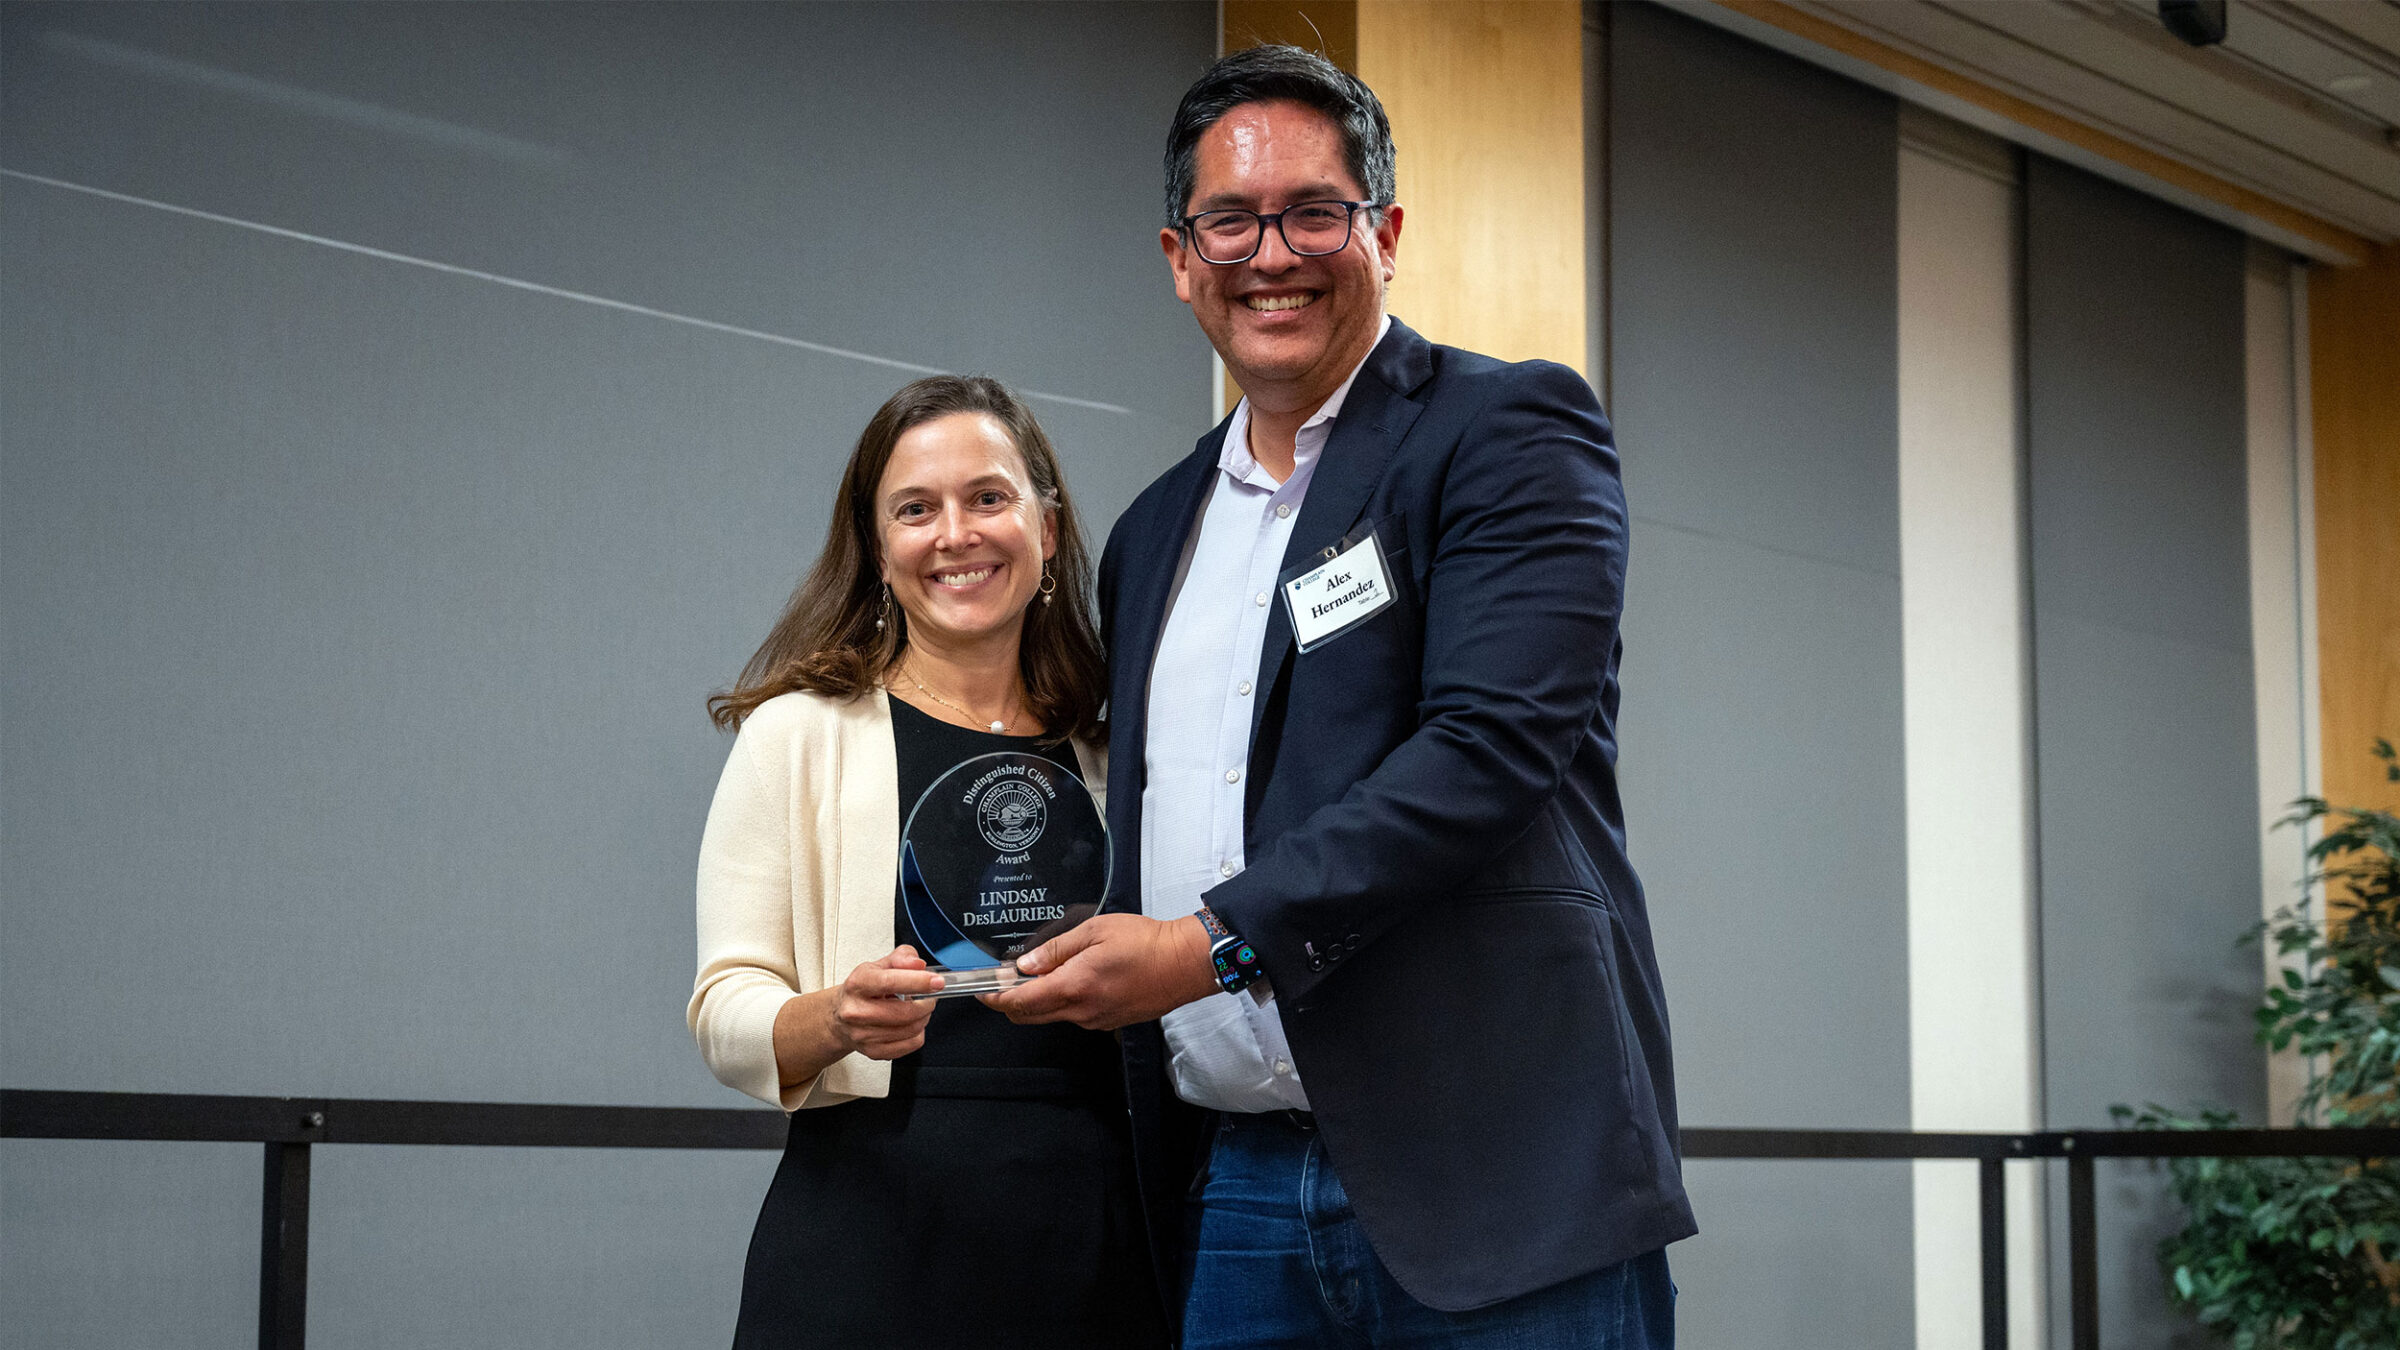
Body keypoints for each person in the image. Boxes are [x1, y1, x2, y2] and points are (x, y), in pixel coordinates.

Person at [984, 45, 1694, 1347]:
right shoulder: (1151, 534)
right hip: (1239, 1189)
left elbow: (1487, 751)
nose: (1274, 255)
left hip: (1498, 1175)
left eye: (1315, 212)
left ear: (1386, 234)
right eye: (1231, 221)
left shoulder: (1506, 431)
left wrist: (1202, 947)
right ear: (1180, 257)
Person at [689, 375, 1163, 1349]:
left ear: (1047, 526)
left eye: (988, 497)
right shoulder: (799, 736)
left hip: (1097, 1240)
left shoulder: (1120, 754)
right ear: (877, 549)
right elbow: (725, 1008)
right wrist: (835, 1017)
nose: (956, 534)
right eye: (915, 509)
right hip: (867, 1236)